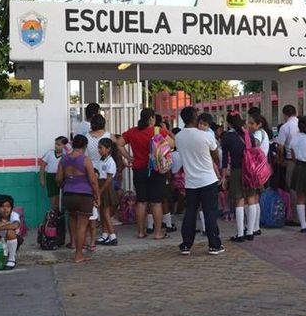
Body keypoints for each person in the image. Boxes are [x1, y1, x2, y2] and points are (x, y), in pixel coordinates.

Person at [175, 107, 224, 256]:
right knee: (209, 212)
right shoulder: (205, 136)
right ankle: (214, 244)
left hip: (190, 181)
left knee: (190, 212)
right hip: (208, 179)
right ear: (195, 117)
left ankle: (186, 245)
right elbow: (216, 154)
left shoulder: (179, 137)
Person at [122, 108, 172, 240]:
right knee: (156, 202)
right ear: (151, 118)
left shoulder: (132, 132)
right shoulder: (157, 131)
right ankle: (157, 233)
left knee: (141, 202)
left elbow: (119, 143)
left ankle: (140, 232)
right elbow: (172, 143)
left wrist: (128, 157)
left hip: (138, 169)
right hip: (155, 169)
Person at [56, 134, 100, 263]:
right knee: (82, 226)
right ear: (85, 146)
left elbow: (58, 178)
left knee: (73, 220)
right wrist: (97, 196)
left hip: (68, 195)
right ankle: (79, 255)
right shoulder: (85, 160)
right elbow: (93, 181)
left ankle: (73, 244)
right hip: (84, 195)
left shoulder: (63, 159)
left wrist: (65, 185)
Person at [222, 111, 258, 242]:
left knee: (239, 201)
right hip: (250, 171)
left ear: (228, 123)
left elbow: (225, 159)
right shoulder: (249, 134)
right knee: (251, 199)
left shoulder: (227, 137)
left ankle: (240, 233)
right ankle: (250, 231)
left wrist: (224, 176)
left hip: (237, 171)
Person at [274, 104, 300, 222]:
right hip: (305, 161)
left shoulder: (285, 127)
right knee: (303, 189)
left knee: (293, 188)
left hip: (291, 161)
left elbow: (280, 146)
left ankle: (295, 217)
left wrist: (280, 158)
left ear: (285, 114)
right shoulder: (303, 124)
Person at [247, 112, 271, 236]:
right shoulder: (264, 133)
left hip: (255, 169)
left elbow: (253, 148)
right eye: (248, 123)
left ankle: (252, 228)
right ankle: (255, 227)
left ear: (259, 124)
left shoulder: (257, 134)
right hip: (262, 169)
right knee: (256, 198)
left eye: (252, 123)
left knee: (252, 198)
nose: (249, 125)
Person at [96, 138, 120, 246]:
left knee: (106, 213)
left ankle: (112, 236)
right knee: (102, 212)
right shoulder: (101, 160)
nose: (99, 150)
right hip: (101, 186)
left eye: (101, 148)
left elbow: (109, 179)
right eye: (98, 147)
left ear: (108, 149)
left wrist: (100, 191)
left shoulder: (110, 161)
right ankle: (105, 235)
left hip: (106, 188)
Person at [39, 136, 69, 210]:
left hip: (62, 178)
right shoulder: (50, 153)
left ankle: (60, 216)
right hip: (51, 177)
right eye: (55, 144)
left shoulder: (66, 156)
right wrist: (42, 179)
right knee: (53, 199)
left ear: (64, 146)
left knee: (61, 199)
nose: (56, 146)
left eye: (59, 145)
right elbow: (42, 167)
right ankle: (54, 215)